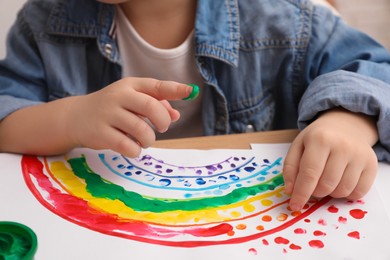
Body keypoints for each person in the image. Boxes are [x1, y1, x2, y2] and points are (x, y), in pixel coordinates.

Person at [1, 0, 390, 212]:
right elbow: (6, 111)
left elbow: (374, 69)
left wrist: (346, 122)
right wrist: (70, 118)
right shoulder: (43, 20)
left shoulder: (282, 18)